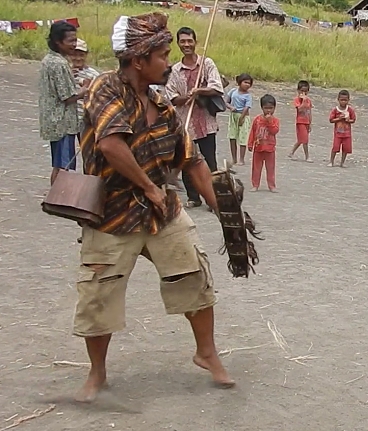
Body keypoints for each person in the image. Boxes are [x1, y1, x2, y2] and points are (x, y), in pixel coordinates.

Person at [74, 12, 234, 403]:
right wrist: (148, 186)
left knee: (195, 276)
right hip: (111, 214)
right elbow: (112, 145)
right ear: (138, 60)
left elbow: (193, 161)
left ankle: (207, 353)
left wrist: (225, 214)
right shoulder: (104, 90)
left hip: (162, 213)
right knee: (99, 294)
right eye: (162, 55)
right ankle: (97, 373)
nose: (169, 61)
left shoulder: (162, 103)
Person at [165, 26, 224, 209]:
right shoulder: (174, 70)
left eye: (189, 41)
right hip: (185, 121)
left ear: (195, 42)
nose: (186, 44)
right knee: (186, 159)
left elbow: (217, 87)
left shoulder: (207, 64)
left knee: (209, 160)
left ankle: (213, 197)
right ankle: (193, 197)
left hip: (206, 122)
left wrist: (200, 90)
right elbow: (172, 97)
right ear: (178, 44)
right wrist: (189, 96)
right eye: (183, 41)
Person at [39, 21, 88, 185]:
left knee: (60, 164)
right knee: (63, 166)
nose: (74, 45)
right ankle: (58, 196)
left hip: (54, 120)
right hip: (62, 123)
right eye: (71, 41)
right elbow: (69, 96)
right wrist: (87, 88)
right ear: (58, 42)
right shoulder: (59, 63)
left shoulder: (49, 60)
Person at [247, 94, 280, 192]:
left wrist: (269, 122)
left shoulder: (275, 120)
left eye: (271, 108)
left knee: (270, 168)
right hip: (258, 147)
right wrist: (250, 143)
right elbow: (253, 131)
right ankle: (255, 185)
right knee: (256, 168)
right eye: (266, 108)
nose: (268, 110)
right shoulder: (257, 119)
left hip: (270, 148)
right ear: (262, 108)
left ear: (274, 108)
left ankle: (272, 185)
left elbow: (275, 131)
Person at [71, 38, 100, 129]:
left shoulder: (93, 74)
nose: (78, 58)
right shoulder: (64, 71)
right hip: (68, 120)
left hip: (85, 118)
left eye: (81, 55)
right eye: (74, 55)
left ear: (86, 55)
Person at [225, 73, 253, 166]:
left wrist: (242, 118)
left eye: (249, 83)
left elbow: (247, 107)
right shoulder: (233, 91)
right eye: (245, 82)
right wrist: (230, 107)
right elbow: (225, 101)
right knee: (232, 137)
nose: (247, 85)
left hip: (243, 116)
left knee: (243, 138)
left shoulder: (248, 96)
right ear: (239, 82)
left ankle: (241, 159)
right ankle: (234, 158)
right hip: (233, 116)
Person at [328, 90, 356, 168]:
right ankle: (331, 161)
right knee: (335, 147)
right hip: (338, 133)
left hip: (347, 134)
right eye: (342, 100)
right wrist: (339, 118)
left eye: (345, 100)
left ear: (348, 100)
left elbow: (353, 120)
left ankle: (342, 162)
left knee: (346, 149)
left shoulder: (350, 110)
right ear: (338, 99)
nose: (343, 102)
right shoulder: (335, 110)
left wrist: (348, 120)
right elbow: (331, 120)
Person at [288, 80, 314, 162]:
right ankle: (307, 156)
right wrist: (303, 101)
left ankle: (291, 152)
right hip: (300, 122)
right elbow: (299, 109)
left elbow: (309, 112)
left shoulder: (309, 101)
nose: (304, 93)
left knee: (300, 140)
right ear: (298, 91)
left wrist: (310, 123)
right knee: (305, 140)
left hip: (306, 122)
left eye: (305, 91)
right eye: (302, 91)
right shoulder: (297, 100)